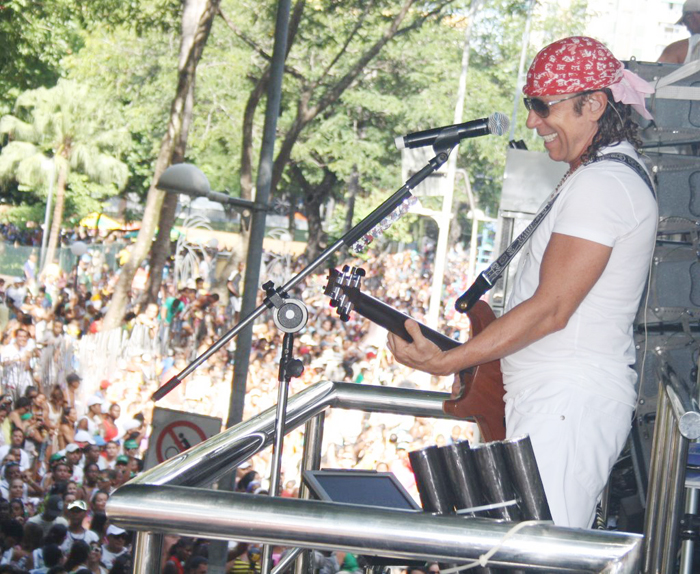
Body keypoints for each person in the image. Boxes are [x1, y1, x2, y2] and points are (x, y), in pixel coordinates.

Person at [387, 36, 658, 529]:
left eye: (541, 105)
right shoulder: (593, 175)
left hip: (568, 402)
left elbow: (552, 309)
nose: (532, 121)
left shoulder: (604, 183)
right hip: (555, 398)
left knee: (535, 554)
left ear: (594, 104)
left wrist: (448, 360)